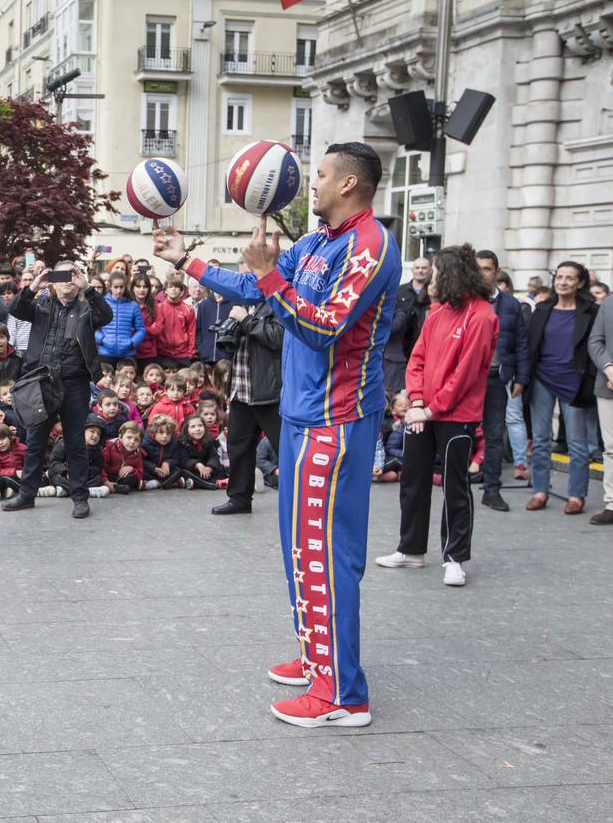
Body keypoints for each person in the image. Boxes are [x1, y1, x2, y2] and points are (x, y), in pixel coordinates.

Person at [154, 140, 400, 728]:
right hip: (299, 417)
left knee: (328, 556)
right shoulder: (318, 242)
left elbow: (322, 329)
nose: (309, 184)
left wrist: (268, 277)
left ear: (348, 184)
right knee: (299, 551)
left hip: (336, 423)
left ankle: (343, 695)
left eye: (318, 176)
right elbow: (253, 290)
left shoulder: (371, 246)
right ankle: (318, 658)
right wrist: (184, 260)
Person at [376, 245, 498, 587]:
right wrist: (415, 401)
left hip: (456, 414)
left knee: (455, 485)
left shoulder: (483, 315)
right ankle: (410, 549)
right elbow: (417, 359)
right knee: (413, 480)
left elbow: (466, 373)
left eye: (439, 272)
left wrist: (430, 409)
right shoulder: (437, 313)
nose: (433, 277)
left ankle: (455, 557)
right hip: (423, 411)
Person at [2, 261, 113, 519]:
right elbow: (15, 308)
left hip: (75, 384)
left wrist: (89, 289)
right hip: (42, 382)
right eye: (61, 275)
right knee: (35, 440)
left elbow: (106, 316)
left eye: (72, 275)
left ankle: (79, 497)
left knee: (75, 442)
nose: (67, 280)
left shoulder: (86, 309)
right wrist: (33, 286)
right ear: (52, 280)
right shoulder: (41, 304)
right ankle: (27, 494)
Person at [525, 261, 599, 516]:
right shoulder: (542, 309)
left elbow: (595, 347)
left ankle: (576, 495)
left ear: (580, 283)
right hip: (543, 380)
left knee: (578, 444)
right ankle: (540, 491)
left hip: (575, 383)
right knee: (541, 439)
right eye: (559, 277)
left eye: (570, 278)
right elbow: (530, 346)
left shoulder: (590, 311)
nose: (563, 282)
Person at [211, 269, 284, 515]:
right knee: (238, 447)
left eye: (248, 278)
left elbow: (278, 338)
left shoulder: (279, 301)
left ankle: (301, 498)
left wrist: (246, 321)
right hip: (241, 389)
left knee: (285, 448)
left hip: (268, 391)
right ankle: (239, 499)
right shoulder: (244, 304)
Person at [474, 250, 530, 512]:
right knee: (463, 433)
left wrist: (521, 377)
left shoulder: (510, 305)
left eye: (486, 268)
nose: (482, 273)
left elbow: (521, 343)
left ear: (496, 272)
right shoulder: (465, 300)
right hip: (467, 380)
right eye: (477, 268)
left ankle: (492, 489)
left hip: (497, 377)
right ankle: (460, 484)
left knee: (495, 435)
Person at [383, 257, 433, 395]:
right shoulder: (400, 291)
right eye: (417, 268)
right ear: (412, 270)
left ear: (430, 270)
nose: (420, 271)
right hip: (400, 348)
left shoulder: (433, 291)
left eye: (424, 268)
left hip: (424, 343)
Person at [586, 295, 613, 526]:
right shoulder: (609, 304)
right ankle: (612, 503)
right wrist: (609, 369)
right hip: (609, 386)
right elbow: (595, 341)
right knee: (611, 448)